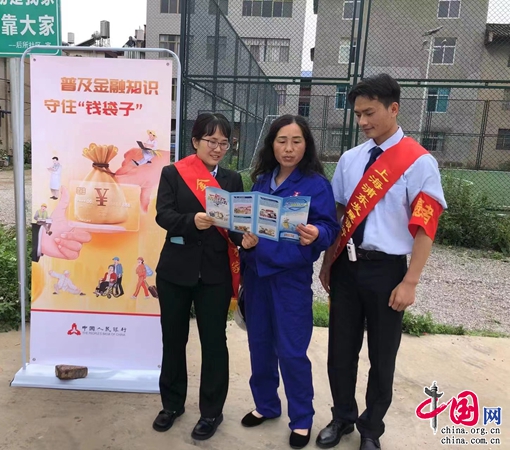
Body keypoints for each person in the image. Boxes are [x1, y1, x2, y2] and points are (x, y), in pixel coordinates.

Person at [316, 74, 447, 450]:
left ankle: (371, 429)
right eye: (358, 114)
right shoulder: (350, 159)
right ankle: (342, 416)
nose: (362, 121)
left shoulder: (419, 162)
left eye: (369, 113)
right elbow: (340, 215)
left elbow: (425, 227)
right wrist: (327, 263)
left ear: (394, 108)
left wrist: (410, 281)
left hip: (387, 271)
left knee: (382, 356)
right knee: (340, 350)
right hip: (346, 268)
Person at [239, 115, 339, 450]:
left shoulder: (315, 185)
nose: (288, 148)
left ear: (306, 145)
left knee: (292, 351)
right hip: (257, 277)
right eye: (282, 140)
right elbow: (246, 223)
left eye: (296, 141)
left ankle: (302, 419)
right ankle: (266, 405)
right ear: (272, 144)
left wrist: (317, 233)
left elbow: (330, 227)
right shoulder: (261, 182)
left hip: (290, 281)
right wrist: (245, 240)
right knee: (260, 346)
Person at [152, 113, 244, 441]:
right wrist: (192, 221)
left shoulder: (232, 180)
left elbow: (235, 226)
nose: (217, 148)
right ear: (195, 142)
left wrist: (245, 238)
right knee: (173, 339)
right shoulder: (173, 173)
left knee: (214, 343)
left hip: (215, 274)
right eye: (211, 141)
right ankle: (172, 404)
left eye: (224, 143)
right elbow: (164, 215)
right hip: (176, 271)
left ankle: (211, 412)